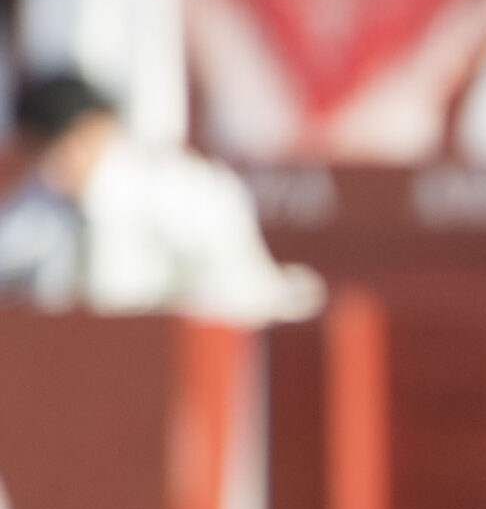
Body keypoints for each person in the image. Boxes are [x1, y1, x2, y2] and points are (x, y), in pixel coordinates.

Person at [0, 73, 325, 324]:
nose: (53, 165)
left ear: (98, 129)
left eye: (63, 147)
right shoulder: (40, 201)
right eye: (41, 152)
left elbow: (235, 291)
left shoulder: (179, 191)